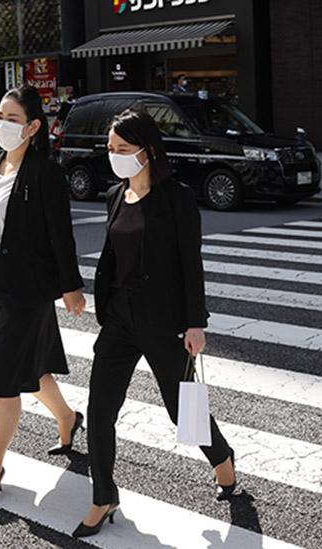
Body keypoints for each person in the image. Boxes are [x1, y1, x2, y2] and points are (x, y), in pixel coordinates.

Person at [74, 109, 236, 538]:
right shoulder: (114, 195)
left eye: (123, 150)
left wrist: (195, 323)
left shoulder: (175, 198)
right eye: (110, 149)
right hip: (120, 321)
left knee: (180, 408)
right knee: (99, 410)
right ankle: (103, 495)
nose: (115, 157)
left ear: (147, 151)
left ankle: (222, 458)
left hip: (164, 321)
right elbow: (112, 259)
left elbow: (190, 263)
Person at [0, 85, 86, 511]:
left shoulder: (45, 173)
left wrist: (70, 286)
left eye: (12, 119)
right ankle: (67, 418)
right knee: (27, 368)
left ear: (33, 126)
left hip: (28, 286)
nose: (2, 124)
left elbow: (60, 234)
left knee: (4, 373)